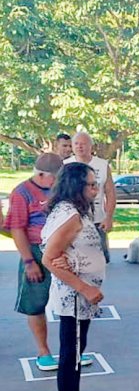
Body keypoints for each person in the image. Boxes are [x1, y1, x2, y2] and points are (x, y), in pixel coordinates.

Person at [41, 163, 109, 391]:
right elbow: (49, 257)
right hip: (75, 298)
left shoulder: (74, 210)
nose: (95, 189)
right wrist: (85, 287)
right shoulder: (70, 216)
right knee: (70, 354)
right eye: (91, 184)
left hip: (81, 298)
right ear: (75, 186)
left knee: (78, 352)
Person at [5, 154, 62, 371]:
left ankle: (72, 351)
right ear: (39, 174)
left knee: (71, 300)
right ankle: (43, 352)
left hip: (62, 250)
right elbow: (17, 229)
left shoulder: (60, 189)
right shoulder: (22, 193)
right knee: (35, 304)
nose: (56, 183)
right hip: (36, 252)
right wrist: (29, 261)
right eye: (53, 179)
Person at [64, 132, 115, 263]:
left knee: (101, 258)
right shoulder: (65, 165)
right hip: (73, 219)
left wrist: (108, 217)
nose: (79, 147)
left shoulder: (102, 165)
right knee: (75, 258)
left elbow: (110, 193)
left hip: (97, 219)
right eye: (76, 144)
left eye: (83, 144)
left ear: (91, 146)